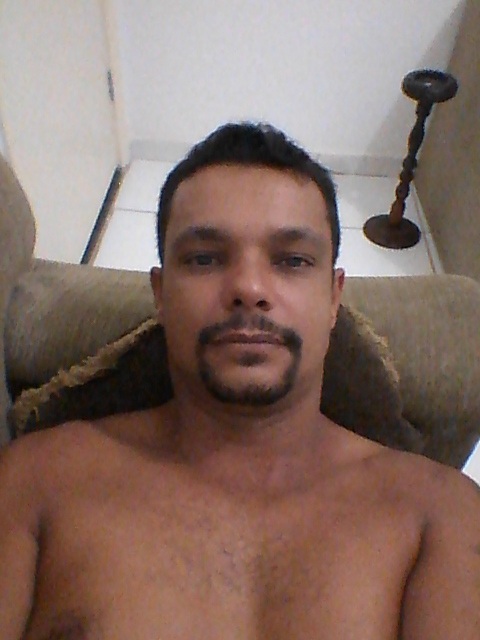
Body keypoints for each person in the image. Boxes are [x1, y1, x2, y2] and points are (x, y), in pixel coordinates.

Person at [0, 122, 479, 640]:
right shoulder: (40, 477)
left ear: (334, 297)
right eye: (204, 258)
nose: (249, 287)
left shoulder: (440, 513)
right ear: (160, 294)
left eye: (292, 260)